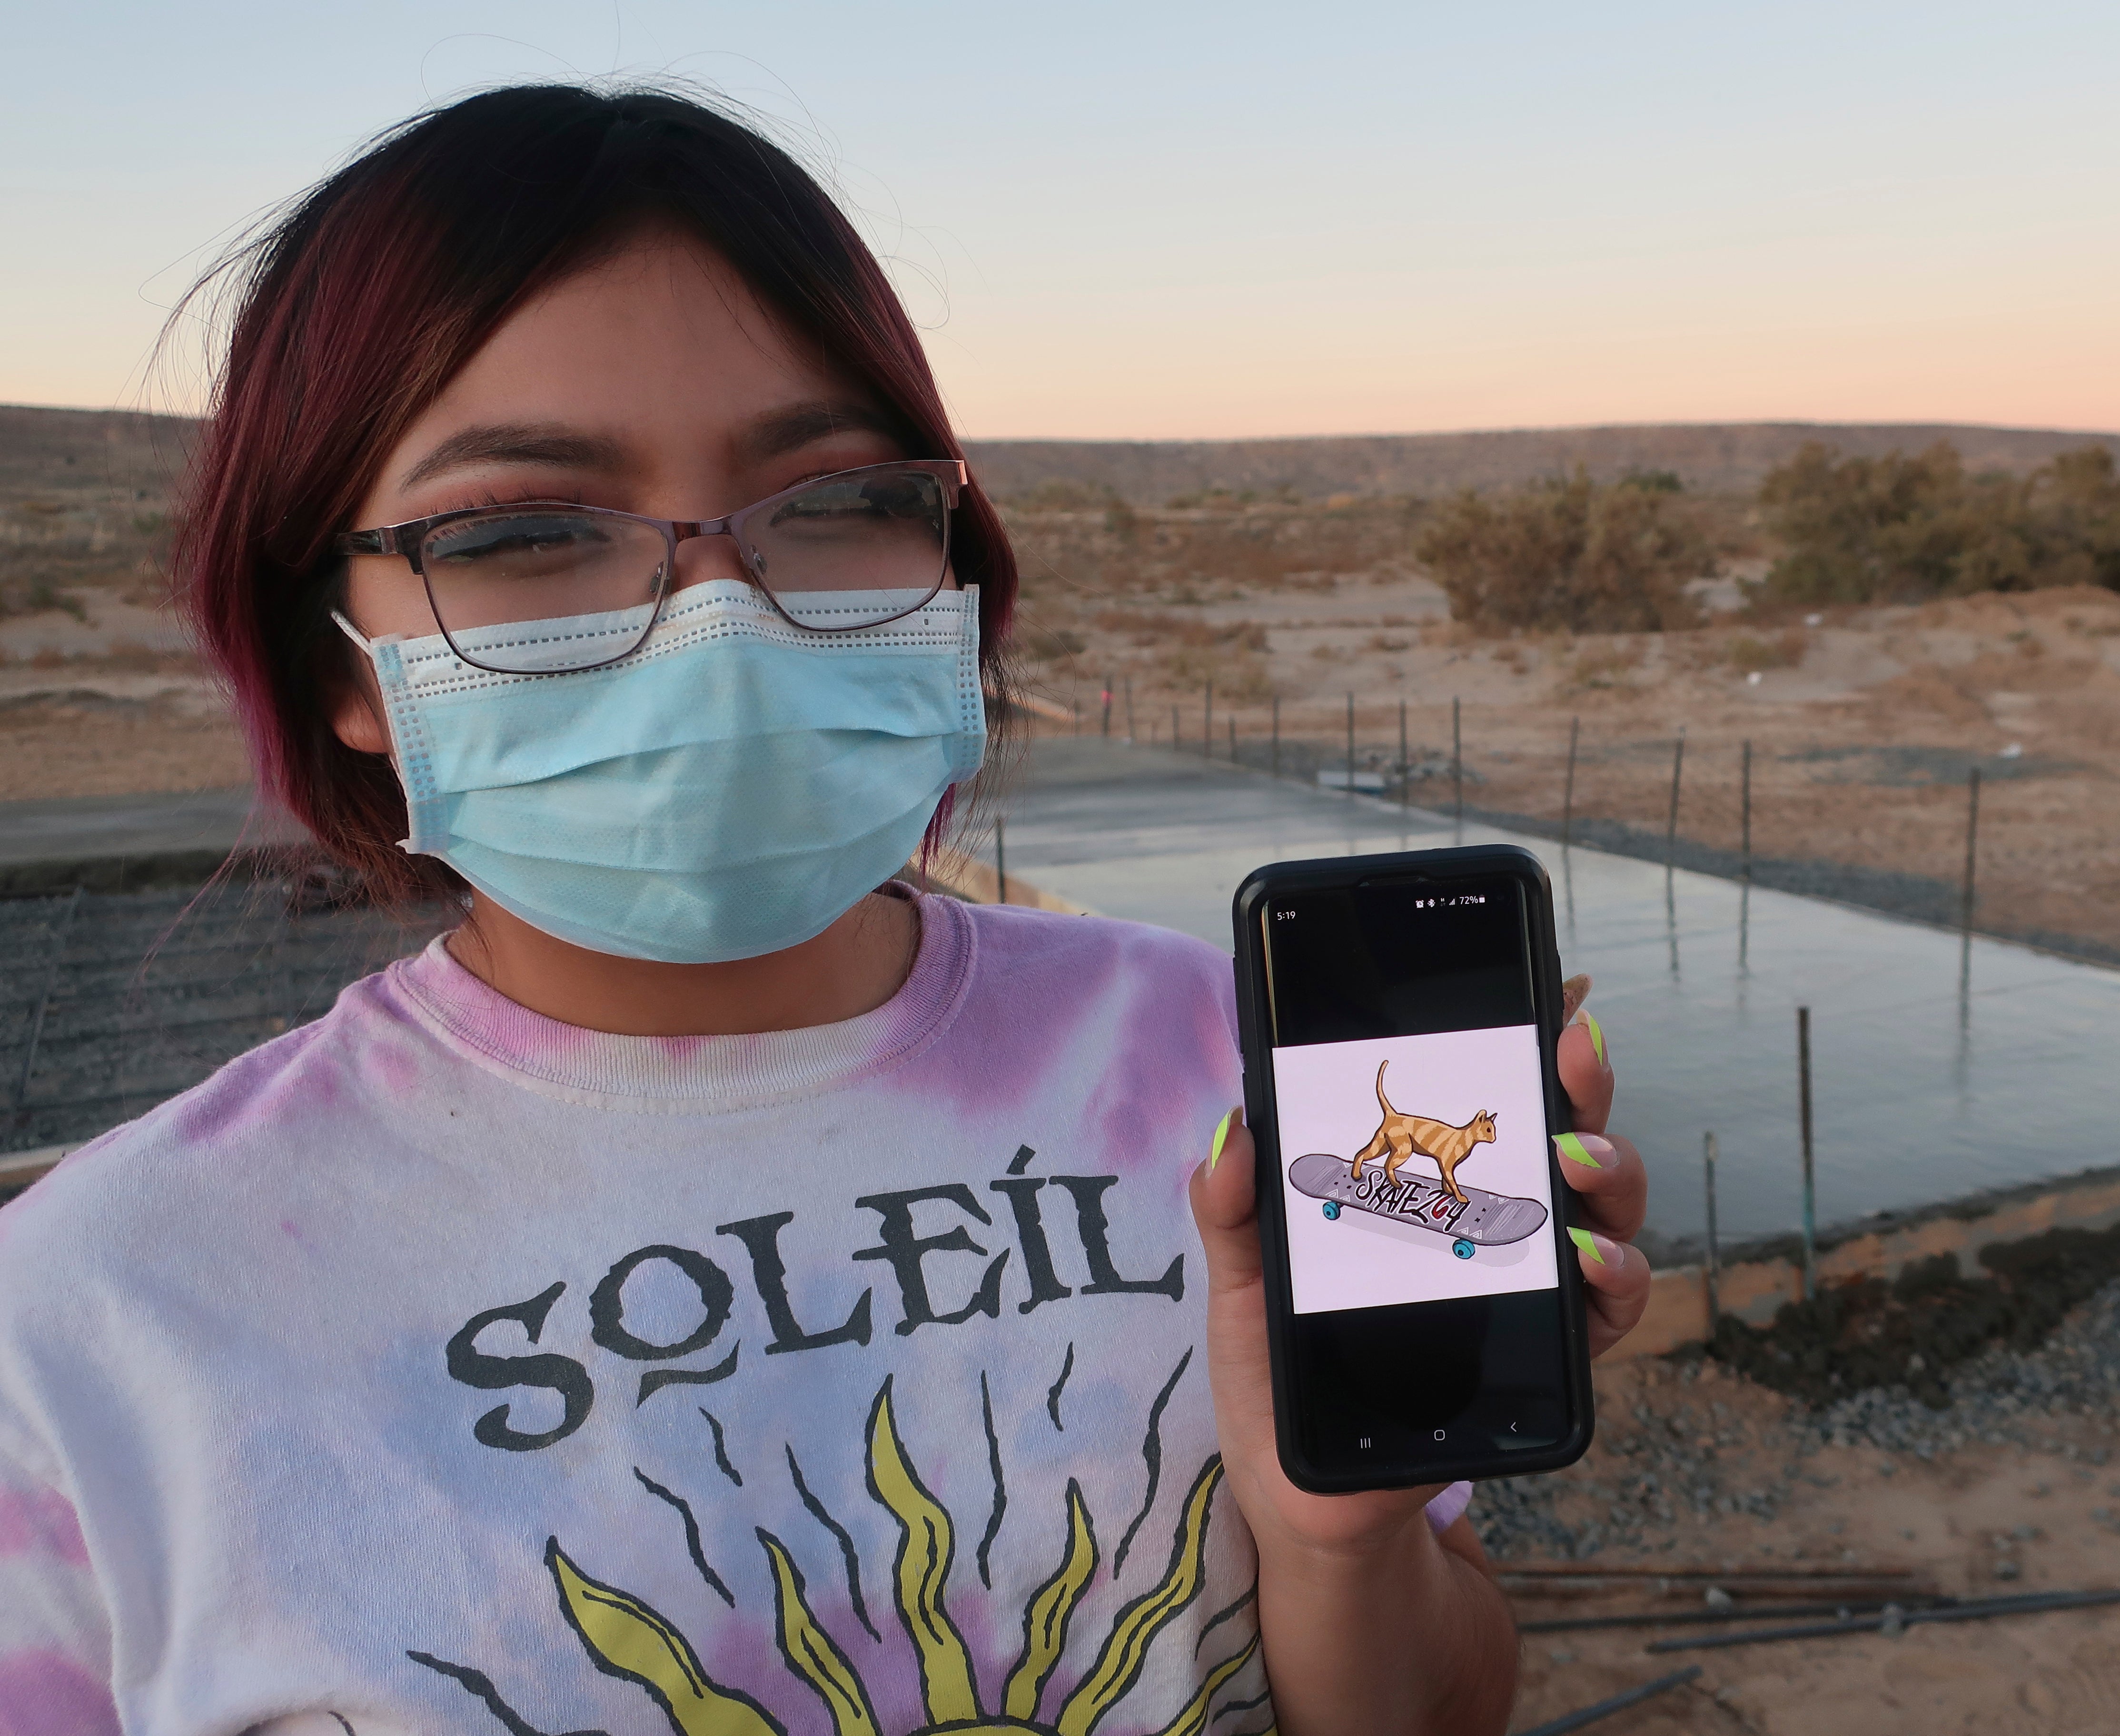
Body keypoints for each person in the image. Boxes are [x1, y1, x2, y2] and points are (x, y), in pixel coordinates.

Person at [0, 85, 1651, 1736]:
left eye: (841, 500)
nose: (723, 623)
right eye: (520, 532)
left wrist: (1340, 1542)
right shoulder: (95, 1328)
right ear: (334, 666)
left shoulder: (1217, 1062)